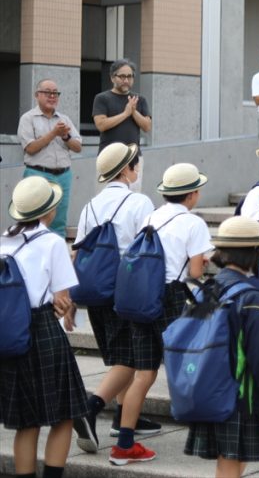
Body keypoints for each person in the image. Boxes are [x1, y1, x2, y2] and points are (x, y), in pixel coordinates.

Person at [111, 163, 210, 465]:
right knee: (189, 366)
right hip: (173, 297)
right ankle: (206, 434)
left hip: (143, 296)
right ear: (192, 194)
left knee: (144, 373)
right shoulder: (194, 223)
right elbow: (194, 273)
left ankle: (124, 445)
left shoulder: (151, 216)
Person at [70, 143, 158, 454]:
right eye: (135, 164)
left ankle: (124, 418)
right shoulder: (139, 202)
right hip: (125, 291)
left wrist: (69, 298)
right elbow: (147, 249)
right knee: (129, 359)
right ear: (125, 170)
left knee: (120, 353)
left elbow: (77, 251)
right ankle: (90, 408)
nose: (137, 169)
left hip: (95, 292)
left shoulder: (90, 205)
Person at [1, 177, 89, 478]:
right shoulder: (51, 241)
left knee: (27, 422)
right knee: (63, 415)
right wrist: (61, 304)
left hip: (10, 334)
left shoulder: (3, 241)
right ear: (48, 212)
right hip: (42, 330)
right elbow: (63, 300)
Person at [183, 217, 259, 478]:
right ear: (254, 253)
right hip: (240, 396)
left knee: (227, 463)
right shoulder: (252, 297)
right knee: (231, 463)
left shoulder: (205, 290)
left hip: (206, 385)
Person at [18, 79, 82, 237]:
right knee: (35, 219)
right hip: (38, 174)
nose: (52, 96)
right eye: (47, 92)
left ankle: (56, 253)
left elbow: (78, 147)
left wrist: (66, 136)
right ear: (37, 95)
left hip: (63, 175)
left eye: (55, 93)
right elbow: (30, 148)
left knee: (59, 221)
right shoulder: (28, 119)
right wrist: (54, 133)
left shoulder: (64, 119)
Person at [93, 59, 152, 193]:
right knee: (105, 198)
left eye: (130, 76)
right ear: (112, 77)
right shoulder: (102, 98)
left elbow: (147, 126)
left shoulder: (139, 100)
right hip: (108, 158)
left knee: (133, 198)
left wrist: (134, 111)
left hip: (133, 159)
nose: (126, 80)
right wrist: (125, 113)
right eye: (122, 76)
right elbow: (101, 125)